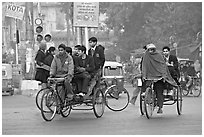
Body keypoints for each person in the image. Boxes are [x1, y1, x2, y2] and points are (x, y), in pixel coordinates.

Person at [141, 43, 177, 114]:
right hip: (149, 76)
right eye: (149, 50)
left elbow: (162, 66)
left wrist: (163, 75)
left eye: (152, 50)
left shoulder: (159, 55)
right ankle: (147, 101)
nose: (151, 51)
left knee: (159, 91)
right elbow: (144, 66)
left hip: (159, 77)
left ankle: (160, 107)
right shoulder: (146, 56)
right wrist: (144, 75)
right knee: (145, 87)